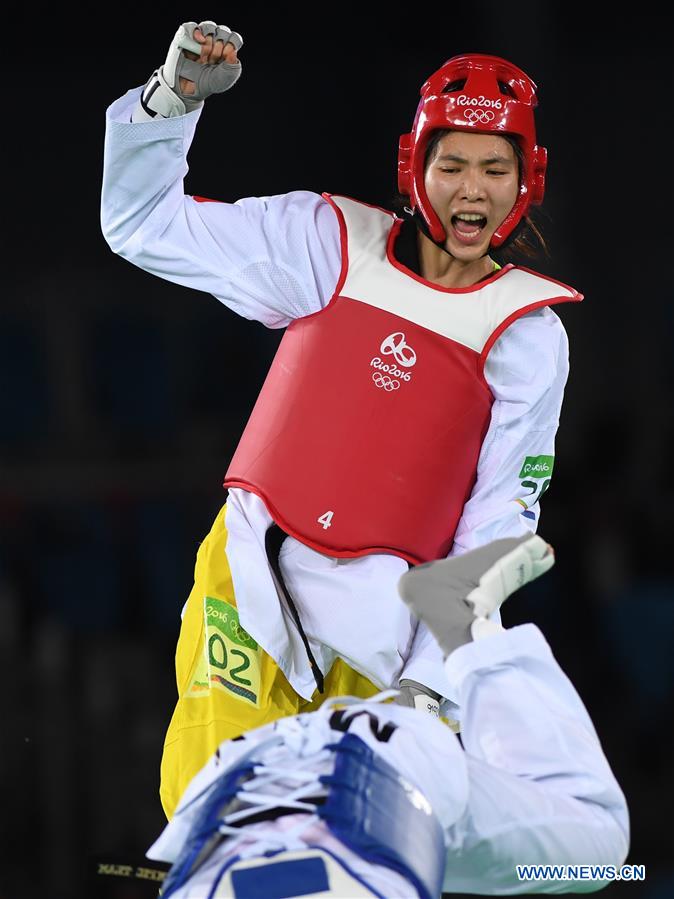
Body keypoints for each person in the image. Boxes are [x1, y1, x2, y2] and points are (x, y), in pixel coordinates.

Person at [101, 20, 583, 820]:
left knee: (346, 850)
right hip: (253, 584)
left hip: (386, 634)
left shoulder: (529, 335)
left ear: (526, 178)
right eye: (453, 163)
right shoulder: (327, 244)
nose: (472, 189)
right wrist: (173, 100)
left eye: (494, 168)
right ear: (415, 164)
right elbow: (141, 226)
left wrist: (430, 683)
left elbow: (500, 522)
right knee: (216, 810)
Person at [145, 533, 629, 897]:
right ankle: (439, 653)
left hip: (367, 784)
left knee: (598, 849)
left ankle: (453, 632)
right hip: (277, 786)